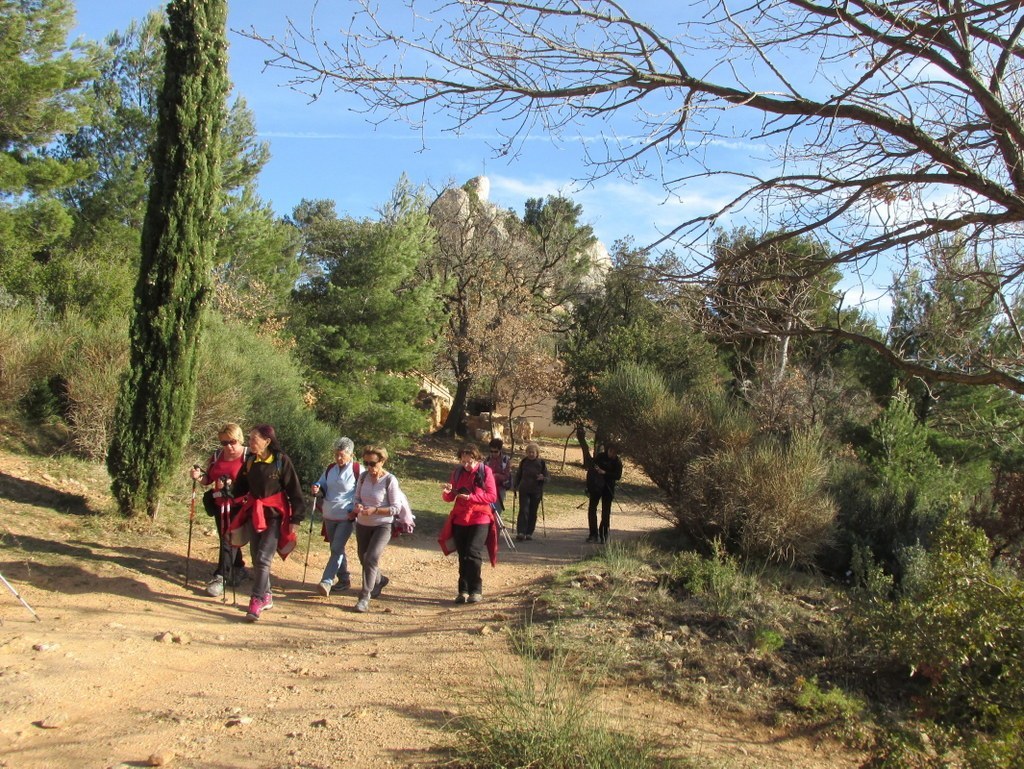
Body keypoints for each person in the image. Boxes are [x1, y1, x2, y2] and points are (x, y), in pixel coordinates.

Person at [229, 424, 305, 622]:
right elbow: (239, 489)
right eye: (250, 438)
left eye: (254, 439)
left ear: (267, 441)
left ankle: (256, 600)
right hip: (254, 514)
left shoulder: (281, 461)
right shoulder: (250, 462)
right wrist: (228, 497)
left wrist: (296, 518)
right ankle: (267, 594)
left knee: (263, 558)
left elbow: (294, 491)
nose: (251, 442)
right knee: (256, 556)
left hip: (275, 517)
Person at [189, 423, 248, 597]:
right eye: (224, 443)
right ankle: (238, 568)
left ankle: (221, 576)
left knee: (228, 539)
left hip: (240, 505)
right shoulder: (217, 455)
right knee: (226, 538)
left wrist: (233, 485)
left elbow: (255, 482)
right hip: (220, 504)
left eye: (232, 441)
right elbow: (208, 479)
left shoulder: (249, 456)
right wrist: (198, 476)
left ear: (240, 439)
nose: (228, 446)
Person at [440, 444, 498, 604]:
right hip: (460, 519)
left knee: (473, 553)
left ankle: (476, 590)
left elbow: (492, 496)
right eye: (463, 461)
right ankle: (463, 591)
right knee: (463, 554)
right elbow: (450, 497)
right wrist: (446, 493)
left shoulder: (485, 471)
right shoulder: (458, 473)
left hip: (480, 517)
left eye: (469, 462)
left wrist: (471, 497)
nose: (466, 465)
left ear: (477, 459)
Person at [352, 445, 403, 613]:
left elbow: (396, 507)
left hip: (383, 525)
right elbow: (356, 498)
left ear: (382, 461)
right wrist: (358, 505)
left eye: (373, 463)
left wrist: (375, 510)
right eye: (366, 462)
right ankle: (379, 580)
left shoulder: (389, 480)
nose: (369, 467)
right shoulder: (363, 477)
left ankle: (364, 597)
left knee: (371, 557)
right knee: (363, 557)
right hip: (363, 524)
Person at [312, 437, 360, 597]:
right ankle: (344, 579)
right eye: (336, 455)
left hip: (346, 516)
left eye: (341, 455)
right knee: (337, 548)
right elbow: (322, 484)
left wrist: (355, 509)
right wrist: (317, 488)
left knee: (336, 548)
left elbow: (362, 492)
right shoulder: (330, 468)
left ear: (351, 454)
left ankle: (326, 580)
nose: (338, 459)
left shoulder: (358, 471)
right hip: (329, 515)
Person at [586, 443, 623, 544]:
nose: (612, 454)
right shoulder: (600, 457)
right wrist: (589, 486)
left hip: (608, 489)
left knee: (606, 512)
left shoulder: (617, 461)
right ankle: (593, 534)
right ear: (608, 450)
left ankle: (603, 534)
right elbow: (591, 470)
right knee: (592, 510)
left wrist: (605, 473)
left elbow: (617, 476)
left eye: (615, 453)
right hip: (596, 487)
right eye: (611, 451)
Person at [513, 442, 547, 541]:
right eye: (529, 452)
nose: (531, 454)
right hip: (524, 490)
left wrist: (542, 477)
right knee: (524, 510)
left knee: (533, 511)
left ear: (537, 453)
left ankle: (529, 532)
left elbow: (547, 477)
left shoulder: (541, 463)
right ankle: (521, 532)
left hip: (536, 491)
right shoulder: (524, 462)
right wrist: (515, 485)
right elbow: (519, 474)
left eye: (533, 452)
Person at [485, 437, 512, 513]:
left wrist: (496, 476)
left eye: (495, 451)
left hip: (500, 488)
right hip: (488, 488)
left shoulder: (505, 460)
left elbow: (507, 476)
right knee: (487, 511)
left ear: (500, 450)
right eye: (491, 451)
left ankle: (496, 525)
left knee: (497, 511)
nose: (493, 453)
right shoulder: (487, 460)